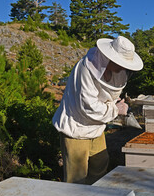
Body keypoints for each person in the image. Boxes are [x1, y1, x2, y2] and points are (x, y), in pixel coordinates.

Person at [52, 36, 143, 184]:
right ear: (109, 57)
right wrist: (115, 110)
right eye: (120, 63)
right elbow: (88, 106)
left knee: (100, 166)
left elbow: (110, 97)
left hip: (97, 127)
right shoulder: (85, 69)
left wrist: (116, 104)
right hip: (76, 128)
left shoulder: (117, 72)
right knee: (77, 178)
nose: (122, 68)